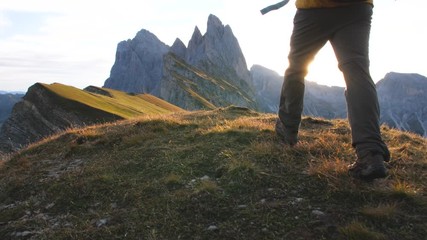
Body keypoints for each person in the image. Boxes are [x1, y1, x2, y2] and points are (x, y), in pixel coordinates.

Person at [275, 0, 390, 181]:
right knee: (357, 72)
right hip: (357, 7)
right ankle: (370, 153)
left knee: (296, 68)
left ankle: (287, 130)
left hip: (314, 8)